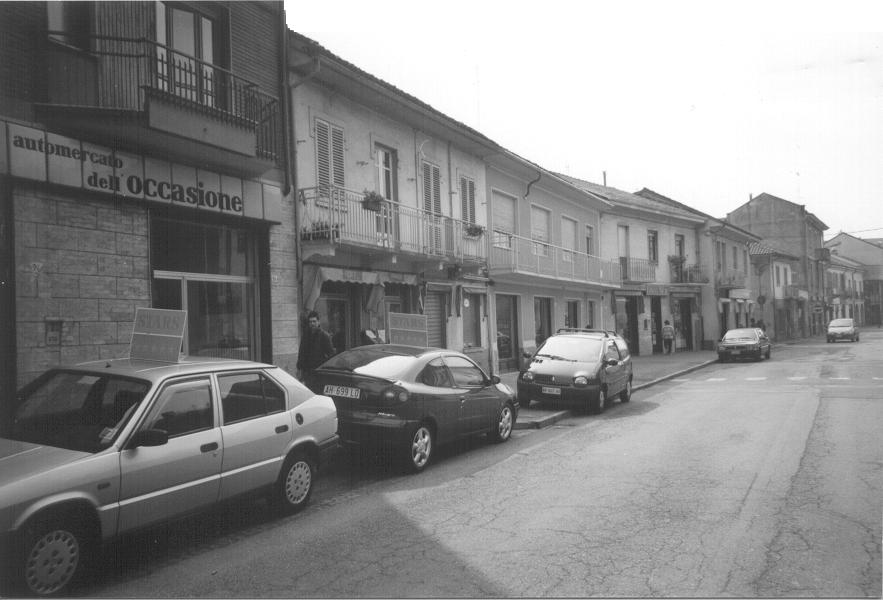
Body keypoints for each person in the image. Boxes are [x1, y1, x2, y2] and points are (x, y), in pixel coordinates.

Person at [296, 310, 335, 380]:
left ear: (318, 322)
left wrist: (324, 368)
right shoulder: (305, 336)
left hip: (319, 372)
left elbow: (331, 355)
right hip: (307, 371)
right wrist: (299, 368)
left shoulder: (324, 336)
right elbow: (301, 352)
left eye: (314, 321)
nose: (312, 323)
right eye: (310, 322)